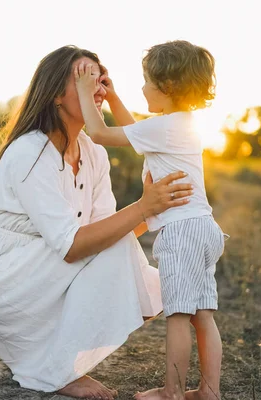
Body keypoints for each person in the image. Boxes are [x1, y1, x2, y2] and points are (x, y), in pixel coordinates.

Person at [0, 45, 193, 400]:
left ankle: (58, 358)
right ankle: (57, 371)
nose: (97, 89)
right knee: (125, 264)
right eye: (84, 79)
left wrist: (160, 205)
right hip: (2, 273)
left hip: (46, 262)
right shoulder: (29, 151)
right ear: (56, 93)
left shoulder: (93, 152)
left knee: (159, 288)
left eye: (100, 79)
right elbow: (72, 247)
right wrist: (143, 207)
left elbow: (107, 231)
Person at [75, 40, 226, 400]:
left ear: (168, 87)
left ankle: (171, 393)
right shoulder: (174, 125)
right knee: (202, 315)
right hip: (204, 228)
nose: (142, 88)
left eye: (146, 81)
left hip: (181, 233)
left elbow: (99, 134)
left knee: (177, 316)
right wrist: (112, 100)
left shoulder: (166, 127)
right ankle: (209, 391)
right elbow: (136, 136)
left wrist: (84, 90)